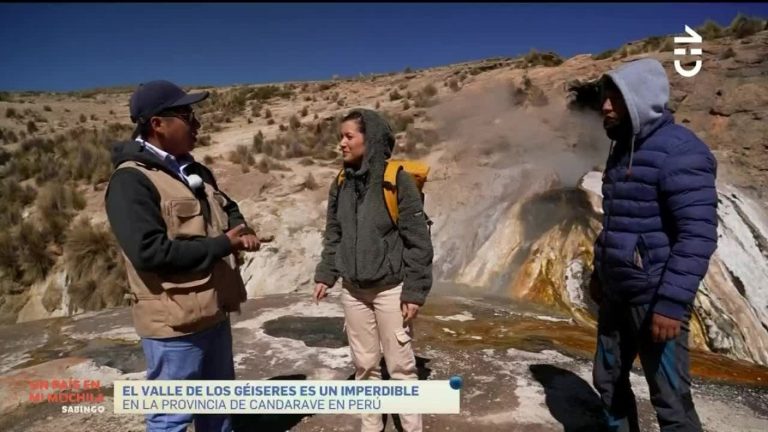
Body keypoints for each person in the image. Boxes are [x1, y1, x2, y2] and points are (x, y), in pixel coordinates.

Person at [105, 80, 260, 432]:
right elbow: (149, 252)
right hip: (173, 327)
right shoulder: (131, 180)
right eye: (187, 115)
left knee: (219, 411)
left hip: (214, 312)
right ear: (157, 124)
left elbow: (228, 207)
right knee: (170, 420)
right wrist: (224, 244)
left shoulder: (196, 171)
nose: (197, 123)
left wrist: (242, 229)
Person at [590, 58, 718, 432]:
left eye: (616, 98)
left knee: (670, 401)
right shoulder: (621, 149)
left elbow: (698, 234)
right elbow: (616, 221)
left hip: (655, 298)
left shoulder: (680, 152)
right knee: (609, 383)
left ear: (640, 101)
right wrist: (599, 273)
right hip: (617, 294)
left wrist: (671, 304)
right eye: (605, 97)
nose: (605, 106)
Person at [313, 109, 434, 432]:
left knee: (401, 367)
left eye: (348, 136)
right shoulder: (340, 183)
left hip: (390, 289)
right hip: (353, 290)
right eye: (341, 136)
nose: (342, 143)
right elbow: (333, 233)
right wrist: (327, 273)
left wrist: (414, 291)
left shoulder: (397, 181)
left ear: (372, 139)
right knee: (364, 365)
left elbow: (418, 241)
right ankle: (372, 426)